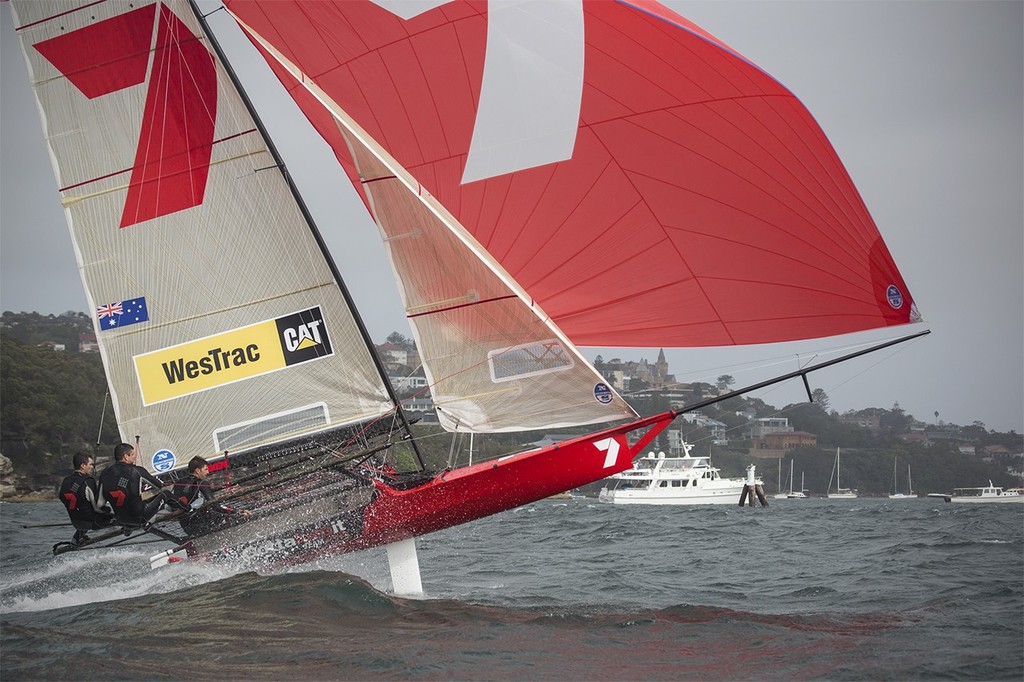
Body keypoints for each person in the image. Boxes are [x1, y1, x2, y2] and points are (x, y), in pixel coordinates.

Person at [98, 442, 187, 528]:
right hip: (140, 518)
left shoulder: (105, 473)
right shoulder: (137, 471)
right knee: (166, 494)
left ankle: (128, 528)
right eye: (132, 454)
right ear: (126, 457)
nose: (135, 457)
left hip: (120, 519)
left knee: (133, 504)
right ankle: (188, 509)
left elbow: (100, 503)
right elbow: (159, 486)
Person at [172, 456, 249, 536]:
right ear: (197, 471)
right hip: (203, 525)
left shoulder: (178, 483)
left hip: (187, 528)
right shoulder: (202, 483)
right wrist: (238, 511)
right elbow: (214, 505)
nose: (208, 472)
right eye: (205, 469)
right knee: (234, 517)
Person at [58, 452, 114, 545]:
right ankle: (130, 528)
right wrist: (108, 511)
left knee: (85, 512)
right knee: (116, 516)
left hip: (76, 522)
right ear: (82, 466)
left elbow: (62, 498)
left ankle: (75, 539)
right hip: (92, 523)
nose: (92, 467)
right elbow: (97, 507)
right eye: (91, 464)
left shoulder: (66, 481)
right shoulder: (88, 481)